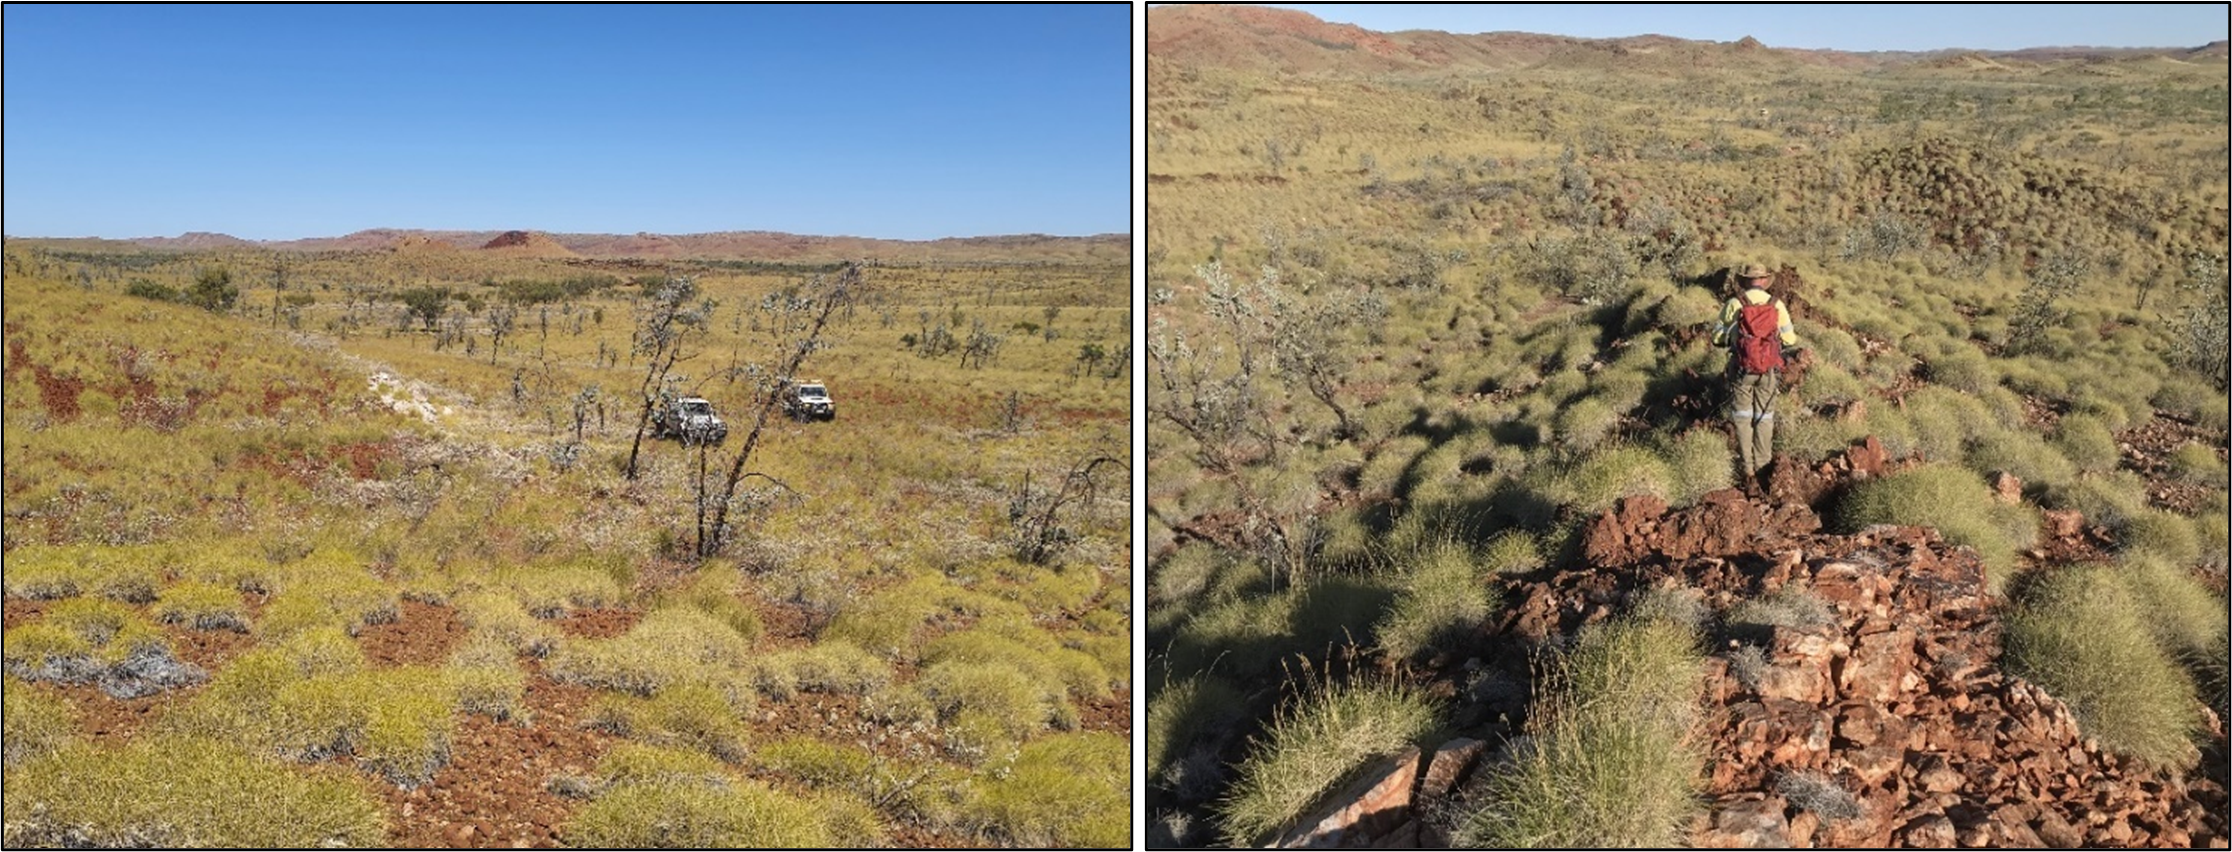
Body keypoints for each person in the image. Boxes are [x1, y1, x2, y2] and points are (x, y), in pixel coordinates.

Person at [1711, 263, 1799, 492]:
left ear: (1745, 281)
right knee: (1765, 417)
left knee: (1742, 417)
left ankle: (1747, 469)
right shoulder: (1776, 304)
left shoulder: (1734, 304)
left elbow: (1717, 339)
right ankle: (1763, 467)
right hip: (1768, 371)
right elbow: (1790, 340)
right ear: (1764, 281)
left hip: (1741, 370)